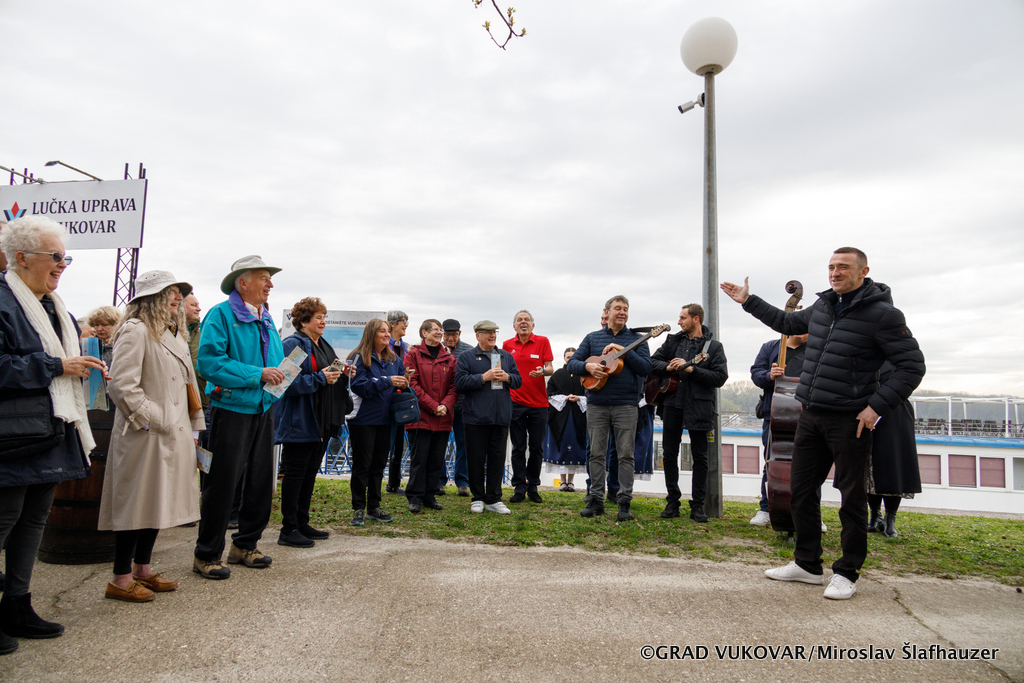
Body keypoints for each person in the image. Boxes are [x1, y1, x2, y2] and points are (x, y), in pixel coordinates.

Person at [721, 247, 925, 600]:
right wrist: (748, 301)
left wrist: (875, 407)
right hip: (811, 414)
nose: (835, 273)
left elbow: (912, 367)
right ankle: (808, 564)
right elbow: (787, 324)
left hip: (851, 419)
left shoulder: (884, 315)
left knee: (851, 499)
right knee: (800, 492)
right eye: (831, 267)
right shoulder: (823, 306)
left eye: (843, 267)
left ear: (863, 272)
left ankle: (846, 572)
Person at [0, 216, 103, 653]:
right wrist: (57, 366)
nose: (63, 264)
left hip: (51, 429)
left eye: (66, 258)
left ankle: (17, 605)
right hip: (13, 436)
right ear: (22, 258)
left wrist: (84, 369)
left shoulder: (56, 308)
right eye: (56, 256)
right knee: (5, 519)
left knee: (33, 520)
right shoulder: (4, 301)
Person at [98, 271, 206, 602]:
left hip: (171, 432)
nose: (178, 298)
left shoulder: (174, 334)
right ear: (152, 297)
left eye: (179, 292)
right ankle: (120, 577)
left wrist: (192, 426)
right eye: (171, 291)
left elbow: (188, 386)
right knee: (136, 504)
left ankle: (142, 570)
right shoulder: (135, 330)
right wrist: (153, 419)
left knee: (157, 502)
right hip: (144, 435)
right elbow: (121, 384)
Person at [193, 256, 285, 580]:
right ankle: (206, 554)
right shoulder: (220, 314)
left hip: (263, 408)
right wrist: (257, 374)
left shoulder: (266, 317)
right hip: (231, 410)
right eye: (263, 278)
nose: (270, 284)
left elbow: (276, 362)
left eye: (270, 278)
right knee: (222, 484)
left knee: (260, 483)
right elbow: (209, 363)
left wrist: (282, 379)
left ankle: (245, 545)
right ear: (242, 283)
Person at [273, 297, 352, 547]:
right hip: (300, 420)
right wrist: (320, 378)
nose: (323, 321)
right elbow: (284, 383)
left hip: (322, 420)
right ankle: (288, 529)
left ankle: (302, 522)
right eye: (318, 317)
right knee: (295, 474)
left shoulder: (323, 345)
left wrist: (341, 374)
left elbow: (328, 374)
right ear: (304, 320)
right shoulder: (295, 345)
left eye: (324, 317)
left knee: (309, 474)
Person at [568, 295, 651, 521]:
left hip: (626, 404)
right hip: (597, 403)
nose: (622, 312)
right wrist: (588, 367)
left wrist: (625, 350)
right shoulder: (592, 338)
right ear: (607, 312)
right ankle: (596, 500)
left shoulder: (637, 339)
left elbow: (646, 368)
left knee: (626, 455)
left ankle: (624, 502)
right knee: (596, 453)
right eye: (618, 308)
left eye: (625, 309)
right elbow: (572, 364)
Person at [650, 304, 728, 523]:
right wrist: (668, 368)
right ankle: (672, 501)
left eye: (683, 318)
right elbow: (652, 362)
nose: (679, 322)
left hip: (700, 406)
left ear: (696, 319)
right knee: (669, 453)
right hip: (672, 404)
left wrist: (692, 369)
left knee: (700, 457)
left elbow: (720, 377)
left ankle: (698, 505)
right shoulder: (673, 342)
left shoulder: (714, 347)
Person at [454, 320, 522, 515]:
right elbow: (459, 383)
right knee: (475, 459)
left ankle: (494, 499)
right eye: (488, 332)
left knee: (497, 459)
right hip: (475, 418)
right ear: (478, 335)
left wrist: (507, 377)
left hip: (500, 417)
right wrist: (483, 377)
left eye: (494, 332)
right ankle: (478, 498)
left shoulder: (506, 357)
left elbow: (518, 380)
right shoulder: (467, 357)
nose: (492, 336)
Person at [348, 318, 407, 526]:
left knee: (379, 464)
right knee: (362, 465)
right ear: (371, 334)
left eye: (387, 331)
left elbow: (400, 379)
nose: (387, 334)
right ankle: (358, 508)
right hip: (363, 419)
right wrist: (387, 381)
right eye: (382, 331)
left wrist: (404, 381)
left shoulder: (394, 359)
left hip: (386, 419)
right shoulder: (357, 356)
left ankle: (374, 506)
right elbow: (359, 386)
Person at [749, 333, 808, 526]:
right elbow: (756, 373)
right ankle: (766, 508)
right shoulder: (771, 347)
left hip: (807, 415)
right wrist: (769, 375)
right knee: (772, 462)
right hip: (775, 414)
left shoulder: (816, 348)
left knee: (810, 465)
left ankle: (810, 512)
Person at [403, 319, 457, 513]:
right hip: (420, 417)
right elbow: (412, 384)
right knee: (419, 459)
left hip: (443, 417)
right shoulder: (413, 355)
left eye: (440, 329)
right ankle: (415, 496)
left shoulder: (450, 359)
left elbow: (454, 386)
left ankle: (430, 495)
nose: (439, 332)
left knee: (436, 458)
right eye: (435, 329)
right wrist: (433, 406)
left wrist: (445, 406)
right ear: (424, 333)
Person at [502, 310, 554, 504]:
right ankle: (519, 487)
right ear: (514, 326)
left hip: (539, 404)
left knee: (536, 447)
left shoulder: (543, 341)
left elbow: (550, 368)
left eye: (527, 320)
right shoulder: (507, 345)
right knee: (518, 447)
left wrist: (542, 371)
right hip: (515, 403)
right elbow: (502, 370)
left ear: (533, 325)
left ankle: (533, 486)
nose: (523, 322)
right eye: (519, 320)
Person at [867, 362, 922, 539]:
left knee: (894, 466)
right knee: (869, 466)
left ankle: (890, 518)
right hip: (867, 410)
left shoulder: (900, 359)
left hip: (895, 413)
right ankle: (875, 515)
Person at [543, 348, 587, 491]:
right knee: (562, 446)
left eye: (573, 357)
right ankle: (563, 481)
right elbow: (549, 393)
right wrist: (565, 398)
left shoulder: (584, 375)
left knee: (574, 447)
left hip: (578, 416)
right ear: (564, 358)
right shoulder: (558, 375)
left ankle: (571, 481)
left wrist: (579, 398)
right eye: (568, 357)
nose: (570, 359)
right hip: (560, 417)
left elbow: (590, 392)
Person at [440, 319, 473, 496]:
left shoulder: (468, 351)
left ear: (459, 333)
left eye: (453, 334)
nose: (450, 338)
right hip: (442, 406)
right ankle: (439, 480)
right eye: (447, 335)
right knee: (439, 444)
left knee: (464, 444)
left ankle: (462, 482)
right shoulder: (436, 349)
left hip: (462, 405)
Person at [384, 310, 410, 495]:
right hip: (385, 397)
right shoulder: (385, 346)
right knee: (386, 441)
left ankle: (394, 482)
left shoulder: (406, 347)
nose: (406, 324)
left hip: (400, 398)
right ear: (392, 324)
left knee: (399, 442)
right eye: (403, 321)